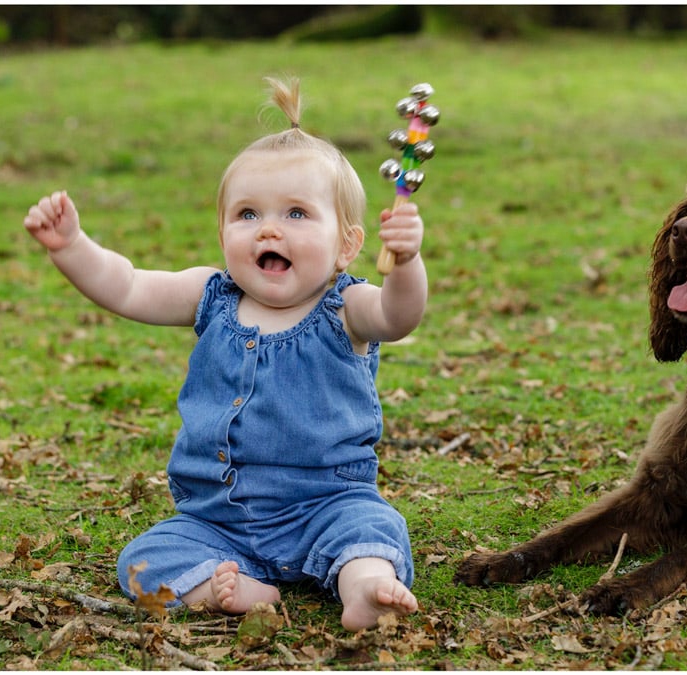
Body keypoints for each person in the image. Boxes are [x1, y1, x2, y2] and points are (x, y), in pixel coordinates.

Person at [22, 77, 425, 631]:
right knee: (139, 563)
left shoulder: (347, 306)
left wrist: (405, 263)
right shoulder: (210, 296)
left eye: (297, 214)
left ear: (348, 245)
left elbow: (399, 317)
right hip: (214, 521)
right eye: (247, 215)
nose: (269, 230)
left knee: (371, 531)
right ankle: (221, 585)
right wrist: (72, 247)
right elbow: (129, 286)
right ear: (223, 231)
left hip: (325, 506)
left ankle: (365, 588)